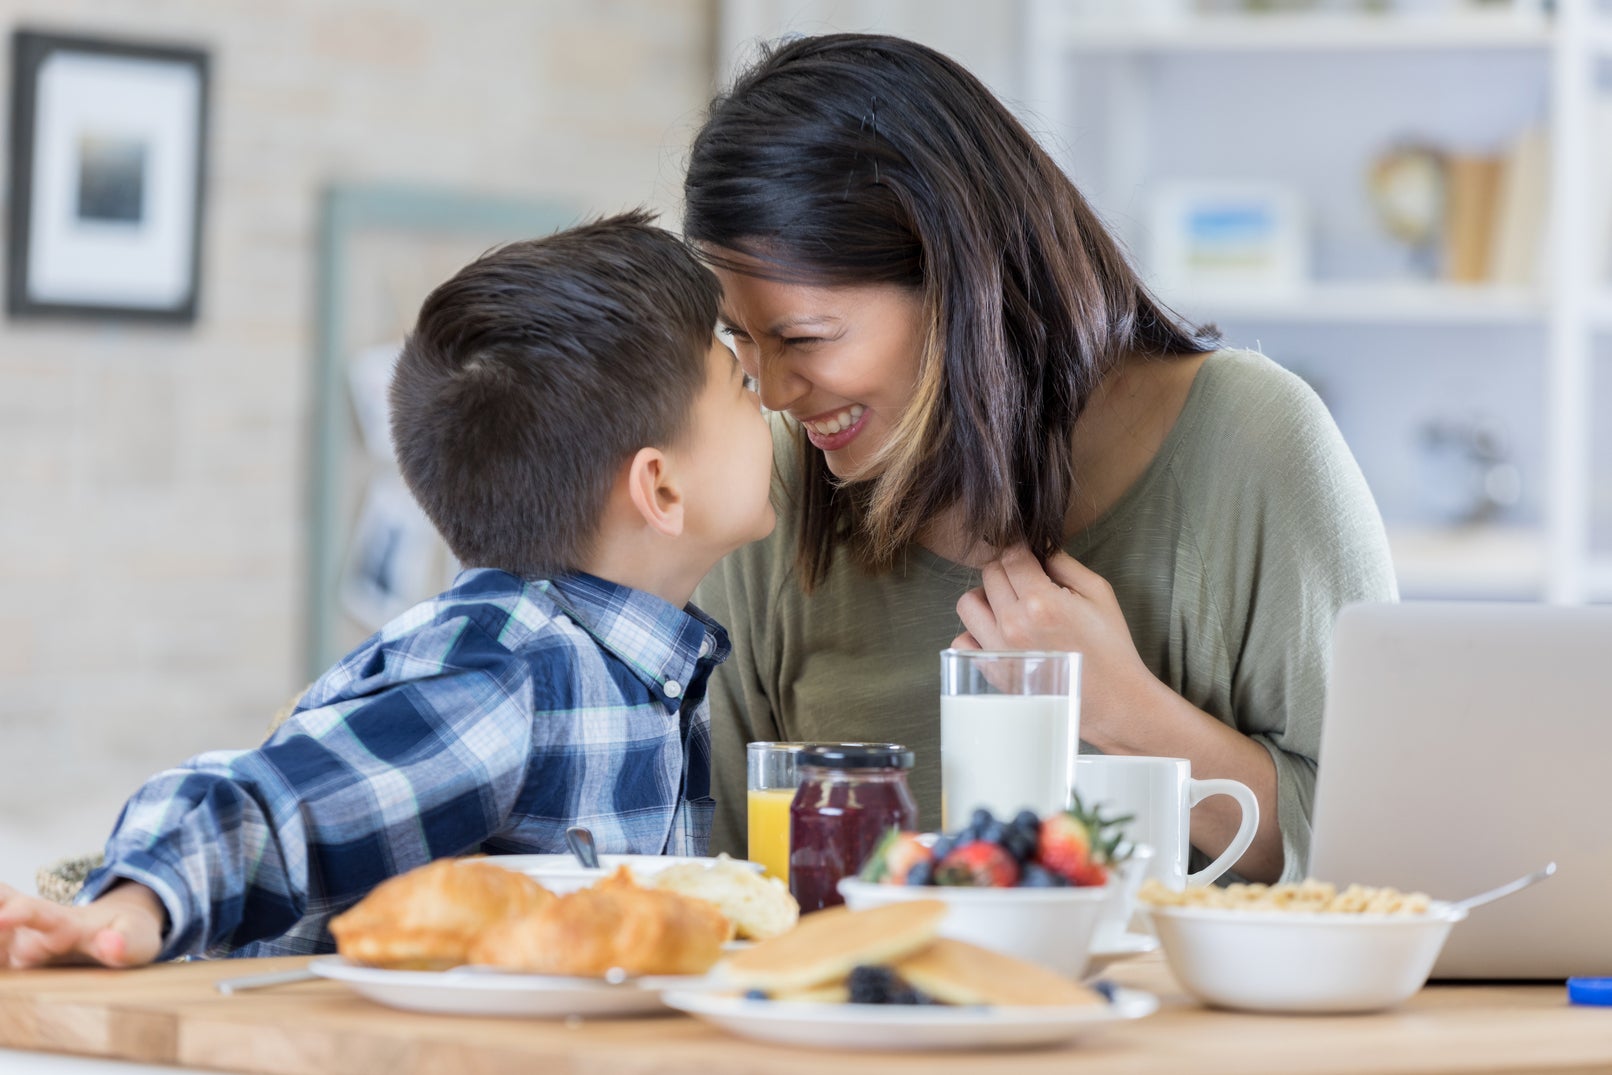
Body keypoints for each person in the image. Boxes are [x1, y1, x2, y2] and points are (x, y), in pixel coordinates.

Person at [684, 33, 1396, 885]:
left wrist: (1125, 712)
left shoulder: (1254, 443)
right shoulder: (770, 491)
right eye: (742, 339)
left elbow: (1387, 856)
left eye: (803, 336)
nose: (770, 390)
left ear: (958, 278)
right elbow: (716, 885)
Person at [0, 211, 775, 967]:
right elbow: (280, 804)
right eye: (741, 383)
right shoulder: (512, 670)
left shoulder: (647, 667)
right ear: (661, 488)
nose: (769, 398)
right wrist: (135, 903)